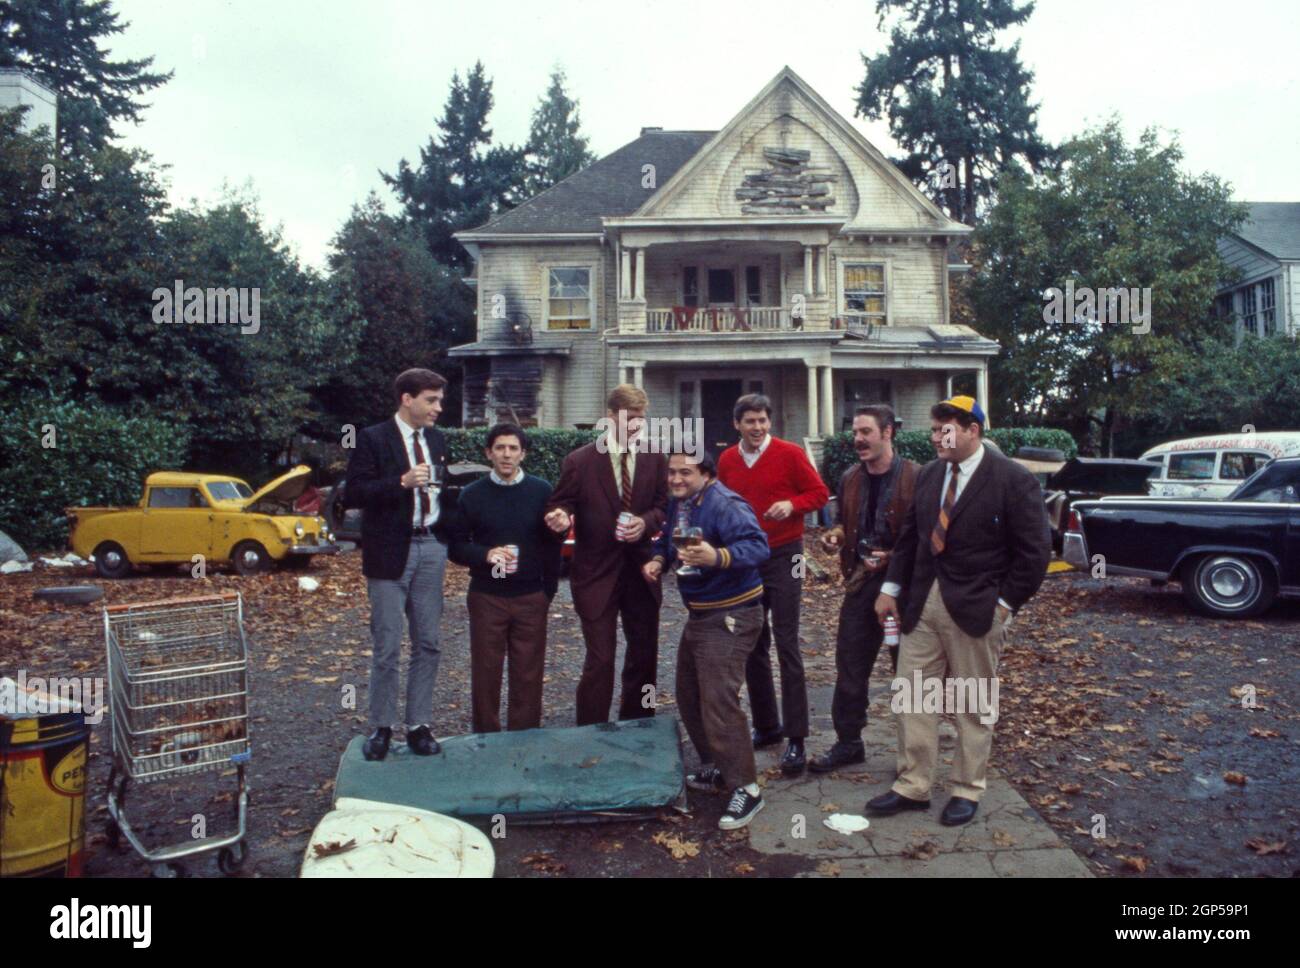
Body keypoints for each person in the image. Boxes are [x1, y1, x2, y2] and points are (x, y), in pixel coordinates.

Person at [868, 395, 1051, 826]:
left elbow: (1035, 553)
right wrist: (891, 589)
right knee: (913, 694)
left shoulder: (1012, 479)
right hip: (922, 604)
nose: (936, 437)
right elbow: (911, 538)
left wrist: (1004, 605)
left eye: (945, 430)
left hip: (977, 606)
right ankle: (913, 785)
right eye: (934, 430)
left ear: (973, 431)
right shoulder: (931, 475)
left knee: (972, 700)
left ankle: (967, 789)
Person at [643, 451, 770, 830]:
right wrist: (657, 559)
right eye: (672, 472)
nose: (676, 479)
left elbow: (758, 546)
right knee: (688, 693)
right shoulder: (681, 502)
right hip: (700, 613)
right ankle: (719, 766)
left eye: (685, 472)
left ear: (706, 473)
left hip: (731, 614)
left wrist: (718, 556)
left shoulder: (725, 504)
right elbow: (668, 539)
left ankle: (747, 788)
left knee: (719, 701)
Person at [343, 368, 453, 761]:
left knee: (429, 643)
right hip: (389, 554)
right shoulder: (373, 438)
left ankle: (419, 726)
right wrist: (402, 483)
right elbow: (352, 493)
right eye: (431, 400)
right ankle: (382, 727)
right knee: (388, 646)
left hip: (430, 549)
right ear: (407, 399)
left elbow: (443, 492)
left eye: (439, 400)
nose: (439, 408)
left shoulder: (437, 439)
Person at [716, 393, 828, 775]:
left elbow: (819, 493)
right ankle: (768, 726)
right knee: (752, 643)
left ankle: (796, 737)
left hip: (787, 555)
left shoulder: (791, 453)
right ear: (737, 424)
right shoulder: (728, 460)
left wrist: (792, 505)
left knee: (787, 640)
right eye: (750, 422)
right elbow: (721, 501)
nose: (758, 428)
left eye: (763, 421)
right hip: (747, 559)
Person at [545, 385, 669, 725]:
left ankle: (640, 720)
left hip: (640, 572)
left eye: (641, 419)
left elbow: (662, 506)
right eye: (629, 419)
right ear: (611, 416)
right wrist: (559, 515)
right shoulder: (580, 461)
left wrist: (645, 523)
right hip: (595, 573)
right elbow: (561, 502)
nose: (635, 427)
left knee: (644, 655)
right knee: (600, 659)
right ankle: (590, 727)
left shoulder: (655, 457)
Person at [808, 404, 919, 774]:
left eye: (865, 432)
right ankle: (848, 743)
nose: (858, 439)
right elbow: (843, 522)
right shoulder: (850, 477)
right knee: (851, 666)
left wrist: (892, 557)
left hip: (903, 590)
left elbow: (923, 537)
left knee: (908, 669)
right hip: (860, 586)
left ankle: (915, 753)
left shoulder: (917, 478)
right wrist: (835, 535)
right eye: (855, 432)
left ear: (888, 433)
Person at [448, 423, 562, 733]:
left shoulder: (541, 491)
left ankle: (522, 738)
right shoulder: (472, 495)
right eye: (500, 448)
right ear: (489, 453)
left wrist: (546, 590)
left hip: (530, 595)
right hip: (487, 595)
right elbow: (456, 546)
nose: (506, 454)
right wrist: (484, 555)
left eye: (513, 448)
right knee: (486, 670)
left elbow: (553, 544)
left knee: (528, 672)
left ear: (523, 453)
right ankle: (486, 737)